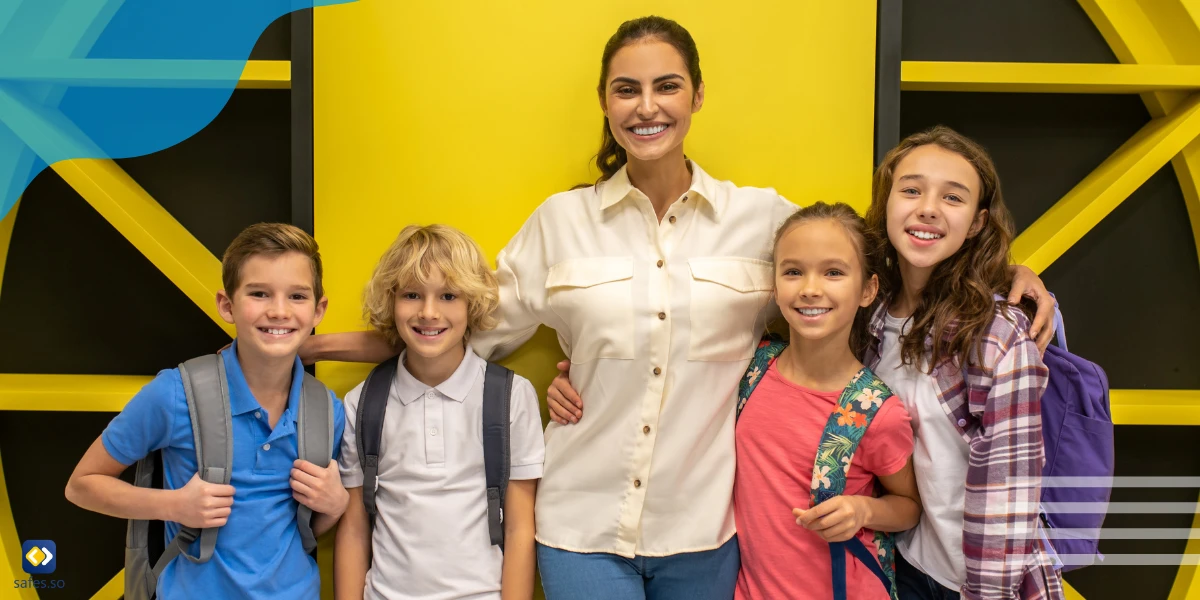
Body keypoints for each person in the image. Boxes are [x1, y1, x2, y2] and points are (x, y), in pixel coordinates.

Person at [305, 16, 1056, 599]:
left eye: (667, 86)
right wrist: (311, 347)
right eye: (626, 90)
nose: (647, 106)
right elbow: (450, 329)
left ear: (696, 96)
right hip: (580, 525)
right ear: (606, 104)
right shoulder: (558, 223)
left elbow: (874, 267)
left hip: (706, 531)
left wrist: (1005, 269)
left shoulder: (762, 220)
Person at [65, 223, 348, 599]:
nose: (279, 311)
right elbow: (81, 485)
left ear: (318, 309)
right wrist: (174, 505)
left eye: (297, 296)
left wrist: (336, 505)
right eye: (259, 293)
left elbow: (299, 526)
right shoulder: (176, 394)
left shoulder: (328, 411)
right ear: (226, 305)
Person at [864, 126, 1063, 599]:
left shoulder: (996, 334)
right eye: (910, 189)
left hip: (980, 581)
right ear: (886, 203)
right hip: (905, 563)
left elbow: (1009, 495)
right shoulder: (867, 312)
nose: (927, 207)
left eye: (953, 198)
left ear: (976, 222)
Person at [333, 224, 545, 600]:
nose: (429, 313)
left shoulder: (511, 396)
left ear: (472, 304)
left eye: (448, 296)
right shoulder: (361, 404)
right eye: (412, 295)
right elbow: (353, 531)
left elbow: (518, 529)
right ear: (391, 301)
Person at [733, 201, 920, 600]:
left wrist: (863, 511)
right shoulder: (751, 367)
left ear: (868, 289)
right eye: (793, 271)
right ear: (775, 284)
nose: (810, 288)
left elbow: (909, 506)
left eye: (833, 272)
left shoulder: (876, 411)